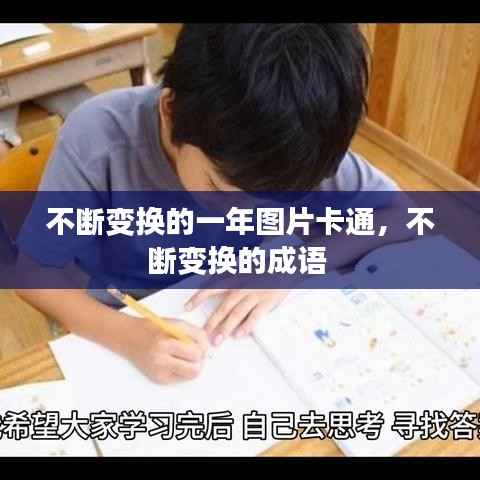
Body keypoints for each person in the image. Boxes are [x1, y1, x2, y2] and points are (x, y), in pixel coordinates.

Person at [16, 24, 408, 385]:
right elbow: (32, 273)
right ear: (170, 111)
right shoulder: (99, 139)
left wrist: (294, 263)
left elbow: (401, 214)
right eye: (218, 189)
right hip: (127, 320)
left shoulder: (294, 145)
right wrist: (129, 335)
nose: (244, 214)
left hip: (239, 324)